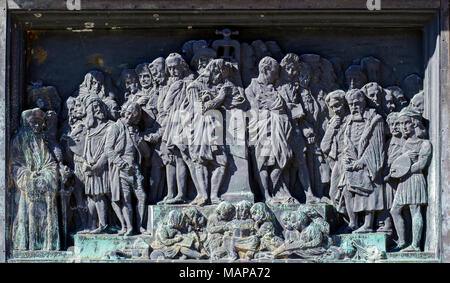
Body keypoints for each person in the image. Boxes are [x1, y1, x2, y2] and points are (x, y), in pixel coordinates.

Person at [246, 56, 295, 204]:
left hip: (278, 130)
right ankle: (266, 195)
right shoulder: (251, 89)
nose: (276, 76)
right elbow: (254, 111)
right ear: (265, 70)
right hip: (261, 131)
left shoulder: (275, 90)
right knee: (263, 163)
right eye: (274, 72)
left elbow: (281, 108)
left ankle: (274, 191)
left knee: (282, 159)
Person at [10, 108, 60, 251]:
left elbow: (50, 163)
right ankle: (27, 246)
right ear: (27, 124)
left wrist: (46, 175)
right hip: (27, 189)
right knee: (26, 218)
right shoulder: (18, 140)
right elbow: (15, 165)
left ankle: (47, 246)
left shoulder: (42, 140)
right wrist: (30, 176)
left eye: (39, 123)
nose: (37, 126)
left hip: (44, 186)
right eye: (34, 123)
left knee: (45, 220)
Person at [338, 89, 385, 233]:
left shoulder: (375, 119)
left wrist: (362, 161)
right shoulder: (349, 121)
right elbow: (345, 142)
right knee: (346, 189)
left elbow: (376, 145)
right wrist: (347, 158)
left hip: (368, 163)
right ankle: (353, 222)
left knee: (368, 190)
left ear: (364, 102)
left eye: (357, 103)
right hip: (351, 162)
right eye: (350, 104)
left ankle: (368, 225)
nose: (353, 107)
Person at [105, 101, 151, 235]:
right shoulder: (116, 127)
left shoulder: (135, 130)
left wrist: (139, 141)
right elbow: (108, 149)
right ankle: (129, 227)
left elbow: (146, 154)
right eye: (129, 112)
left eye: (134, 114)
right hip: (121, 169)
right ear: (124, 111)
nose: (130, 116)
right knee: (125, 199)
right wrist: (121, 164)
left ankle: (141, 226)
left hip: (135, 169)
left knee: (142, 197)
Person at [389, 109, 431, 252]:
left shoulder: (424, 144)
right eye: (401, 124)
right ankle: (402, 241)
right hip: (404, 180)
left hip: (415, 178)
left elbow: (421, 164)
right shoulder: (405, 143)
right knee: (395, 210)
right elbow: (399, 162)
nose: (403, 127)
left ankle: (415, 245)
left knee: (415, 210)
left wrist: (406, 167)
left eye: (406, 123)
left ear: (415, 123)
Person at [83, 96, 114, 234]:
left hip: (103, 167)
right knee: (92, 196)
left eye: (100, 106)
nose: (99, 110)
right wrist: (87, 163)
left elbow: (108, 150)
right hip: (91, 166)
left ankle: (104, 225)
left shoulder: (111, 126)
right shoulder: (90, 130)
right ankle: (91, 224)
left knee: (100, 194)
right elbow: (86, 150)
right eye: (95, 108)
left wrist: (97, 166)